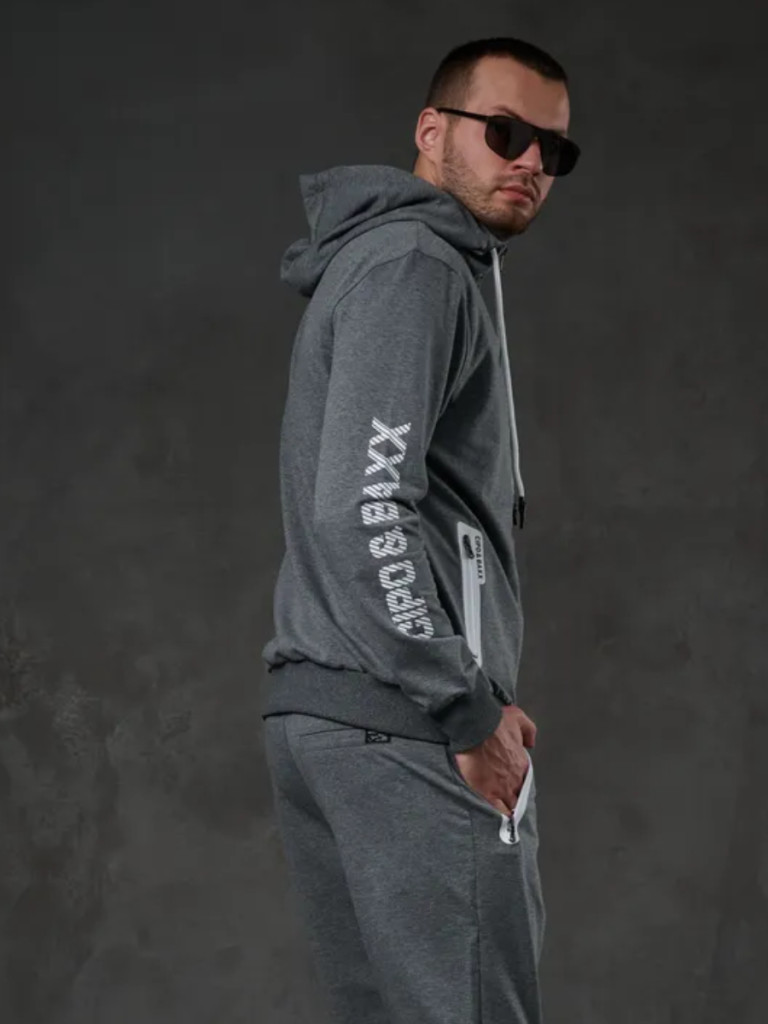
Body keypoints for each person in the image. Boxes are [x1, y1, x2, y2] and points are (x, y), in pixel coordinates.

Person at [260, 35, 580, 1024]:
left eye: (554, 150)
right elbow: (363, 507)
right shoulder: (416, 266)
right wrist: (464, 707)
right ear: (432, 130)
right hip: (404, 723)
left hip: (330, 713)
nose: (531, 161)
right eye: (505, 133)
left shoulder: (389, 264)